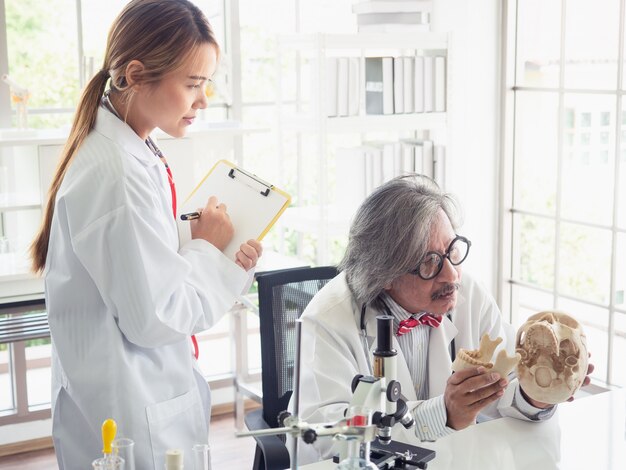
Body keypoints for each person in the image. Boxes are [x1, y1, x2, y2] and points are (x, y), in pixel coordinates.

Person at [30, 1, 262, 468]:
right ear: (135, 75)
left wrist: (187, 238)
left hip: (130, 398)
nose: (203, 99)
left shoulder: (131, 148)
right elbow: (155, 316)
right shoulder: (117, 171)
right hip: (133, 411)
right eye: (192, 84)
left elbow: (136, 256)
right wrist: (207, 250)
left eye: (207, 84)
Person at [294, 174, 594, 463]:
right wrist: (443, 414)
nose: (451, 275)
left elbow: (505, 387)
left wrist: (536, 393)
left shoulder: (470, 294)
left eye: (452, 250)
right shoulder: (326, 322)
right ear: (383, 273)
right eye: (429, 262)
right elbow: (325, 439)